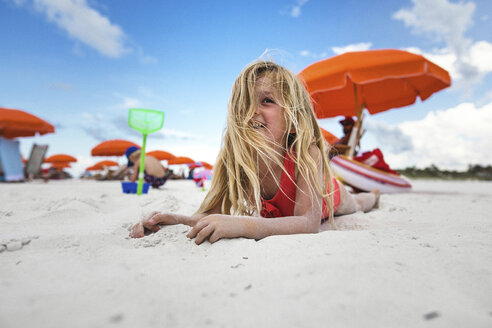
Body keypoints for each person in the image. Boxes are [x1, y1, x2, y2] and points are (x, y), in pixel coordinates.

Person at [129, 61, 379, 244]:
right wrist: (176, 219)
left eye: (266, 100)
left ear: (292, 119)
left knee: (356, 203)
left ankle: (373, 196)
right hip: (286, 209)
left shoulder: (306, 154)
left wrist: (241, 225)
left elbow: (308, 222)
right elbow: (212, 212)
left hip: (329, 195)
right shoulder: (236, 158)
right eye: (245, 102)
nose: (252, 110)